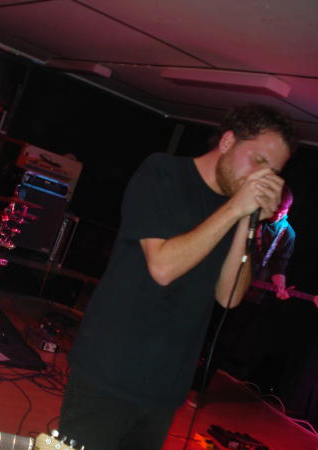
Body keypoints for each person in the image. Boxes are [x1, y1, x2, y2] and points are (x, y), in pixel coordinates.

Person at [58, 104, 296, 450]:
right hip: (107, 373)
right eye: (258, 161)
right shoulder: (163, 172)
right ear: (227, 141)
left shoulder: (236, 209)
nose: (261, 178)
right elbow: (162, 267)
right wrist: (235, 208)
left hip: (165, 388)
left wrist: (248, 218)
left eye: (272, 172)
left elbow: (229, 296)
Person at [187, 185, 295, 407]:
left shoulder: (287, 234)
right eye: (275, 209)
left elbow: (279, 266)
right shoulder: (251, 216)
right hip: (223, 283)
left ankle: (198, 387)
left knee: (224, 344)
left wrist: (280, 287)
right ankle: (178, 375)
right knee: (200, 330)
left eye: (282, 211)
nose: (277, 215)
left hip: (250, 296)